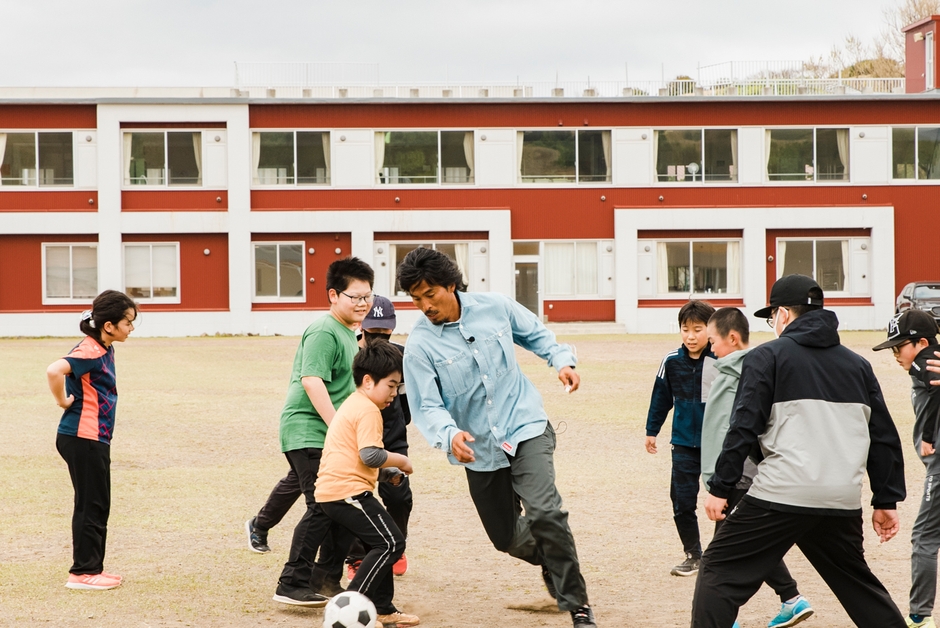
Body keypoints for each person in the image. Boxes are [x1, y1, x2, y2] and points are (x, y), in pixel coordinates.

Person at [692, 274, 907, 628]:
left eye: (771, 317)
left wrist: (720, 487)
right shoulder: (858, 366)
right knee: (857, 584)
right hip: (840, 499)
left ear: (784, 315)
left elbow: (743, 427)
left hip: (782, 492)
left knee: (718, 571)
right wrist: (886, 499)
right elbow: (883, 436)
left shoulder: (767, 357)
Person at [397, 247, 597, 628]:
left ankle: (578, 605)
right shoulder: (421, 345)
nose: (424, 306)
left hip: (525, 425)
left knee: (545, 512)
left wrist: (562, 361)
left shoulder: (496, 307)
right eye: (415, 299)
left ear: (450, 284)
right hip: (478, 449)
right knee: (505, 536)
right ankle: (552, 559)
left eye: (430, 294)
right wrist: (449, 434)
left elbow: (537, 335)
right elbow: (427, 406)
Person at [292, 341, 420, 626]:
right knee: (391, 542)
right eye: (390, 385)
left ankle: (383, 607)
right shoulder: (367, 410)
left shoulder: (355, 403)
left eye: (398, 387)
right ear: (367, 381)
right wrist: (401, 461)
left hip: (338, 491)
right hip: (345, 493)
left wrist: (387, 474)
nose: (394, 393)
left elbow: (357, 456)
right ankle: (347, 609)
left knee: (383, 541)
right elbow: (370, 455)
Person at [270, 257, 374, 606]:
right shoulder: (324, 330)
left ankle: (325, 581)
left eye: (367, 297)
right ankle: (290, 582)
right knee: (321, 505)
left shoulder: (349, 334)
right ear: (333, 294)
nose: (362, 304)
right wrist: (339, 428)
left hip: (329, 433)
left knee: (341, 504)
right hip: (307, 430)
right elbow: (311, 380)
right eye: (355, 297)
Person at [701, 307, 813, 628]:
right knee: (740, 549)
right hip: (732, 479)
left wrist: (719, 480)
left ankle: (782, 601)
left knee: (721, 557)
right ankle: (789, 599)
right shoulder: (732, 369)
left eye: (713, 341)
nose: (711, 348)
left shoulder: (743, 371)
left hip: (736, 479)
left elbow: (734, 429)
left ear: (732, 339)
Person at [46, 290, 138, 591]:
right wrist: (62, 401)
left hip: (92, 438)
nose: (131, 328)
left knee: (97, 503)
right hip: (83, 437)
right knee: (91, 504)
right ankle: (83, 573)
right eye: (128, 322)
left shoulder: (103, 346)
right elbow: (54, 369)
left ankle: (92, 568)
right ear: (108, 325)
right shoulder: (90, 351)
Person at [873, 310, 940, 628]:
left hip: (939, 469)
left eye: (899, 346)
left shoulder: (926, 362)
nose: (895, 355)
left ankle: (918, 617)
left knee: (924, 538)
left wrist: (928, 437)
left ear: (922, 342)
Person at [644, 299, 716, 577]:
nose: (690, 336)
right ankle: (693, 555)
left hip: (717, 445)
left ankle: (719, 556)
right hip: (684, 444)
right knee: (682, 501)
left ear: (710, 330)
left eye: (697, 329)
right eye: (685, 329)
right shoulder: (671, 361)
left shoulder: (720, 359)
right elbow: (660, 397)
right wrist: (652, 431)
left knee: (726, 501)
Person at [346, 296, 414, 580]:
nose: (378, 338)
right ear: (362, 326)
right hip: (357, 437)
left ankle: (395, 548)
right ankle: (357, 557)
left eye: (384, 333)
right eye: (373, 333)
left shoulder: (401, 357)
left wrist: (397, 424)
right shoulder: (350, 354)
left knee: (399, 497)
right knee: (355, 497)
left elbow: (407, 404)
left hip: (393, 436)